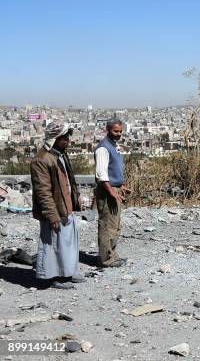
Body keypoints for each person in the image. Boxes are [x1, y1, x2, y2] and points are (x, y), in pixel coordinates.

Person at [30, 121, 84, 289]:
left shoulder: (59, 154)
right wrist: (51, 215)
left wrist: (76, 198)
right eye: (64, 138)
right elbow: (43, 192)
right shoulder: (42, 160)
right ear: (55, 138)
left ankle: (67, 272)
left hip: (65, 207)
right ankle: (52, 277)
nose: (67, 141)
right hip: (54, 210)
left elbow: (68, 180)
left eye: (68, 137)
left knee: (67, 242)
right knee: (52, 245)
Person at [94, 119, 131, 267]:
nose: (119, 134)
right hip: (107, 191)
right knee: (107, 225)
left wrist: (120, 185)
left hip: (114, 189)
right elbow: (101, 174)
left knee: (115, 225)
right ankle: (106, 259)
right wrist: (111, 191)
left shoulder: (114, 147)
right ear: (108, 130)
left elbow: (113, 170)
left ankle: (112, 255)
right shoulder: (103, 148)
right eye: (116, 131)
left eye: (120, 131)